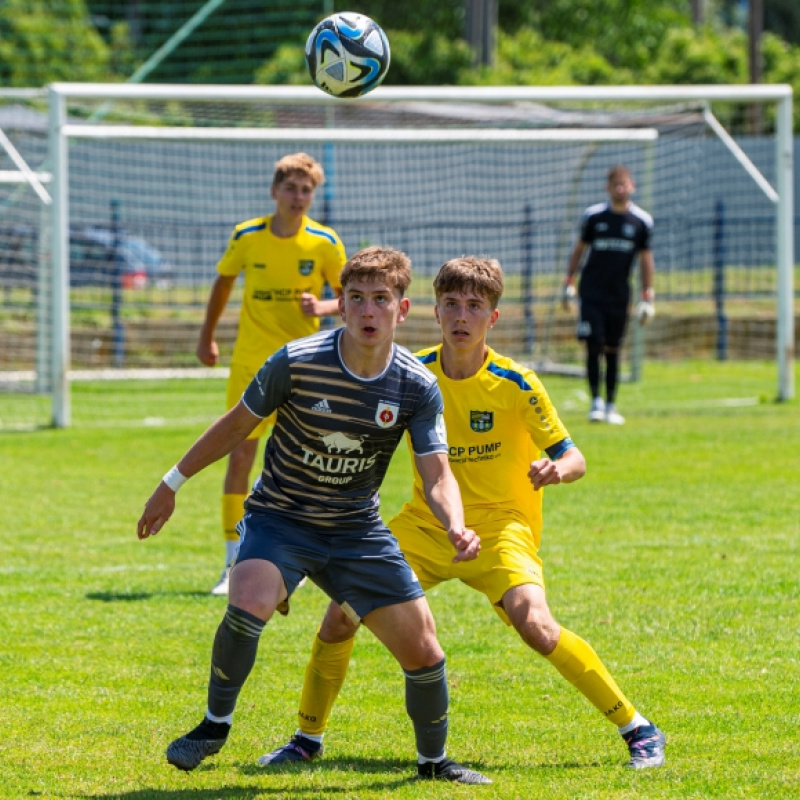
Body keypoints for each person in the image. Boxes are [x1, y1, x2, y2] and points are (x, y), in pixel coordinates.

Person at [259, 256, 666, 771]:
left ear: (492, 319)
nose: (461, 316)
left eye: (474, 306)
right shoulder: (409, 373)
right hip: (425, 527)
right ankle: (306, 739)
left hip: (500, 530)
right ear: (434, 311)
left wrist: (556, 470)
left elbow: (574, 455)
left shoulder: (516, 383)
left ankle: (638, 728)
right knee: (340, 617)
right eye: (451, 304)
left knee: (536, 626)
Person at [137, 246, 491, 785]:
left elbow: (437, 472)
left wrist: (455, 524)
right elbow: (236, 426)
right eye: (356, 299)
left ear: (402, 308)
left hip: (355, 530)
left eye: (380, 299)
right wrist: (172, 483)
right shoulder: (297, 361)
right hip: (282, 517)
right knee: (249, 597)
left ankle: (433, 764)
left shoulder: (416, 385)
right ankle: (213, 727)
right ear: (340, 305)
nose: (368, 311)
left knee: (424, 650)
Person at [197, 152, 347, 595]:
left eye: (306, 190)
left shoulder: (324, 242)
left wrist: (318, 306)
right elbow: (223, 284)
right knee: (240, 457)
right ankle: (232, 563)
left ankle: (288, 562)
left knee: (298, 465)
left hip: (304, 367)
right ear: (274, 191)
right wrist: (206, 337)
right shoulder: (247, 236)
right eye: (291, 188)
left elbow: (350, 300)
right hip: (250, 364)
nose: (299, 197)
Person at [562, 164, 655, 425]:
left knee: (614, 348)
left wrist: (648, 295)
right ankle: (595, 402)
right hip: (591, 293)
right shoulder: (593, 217)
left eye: (624, 184)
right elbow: (579, 251)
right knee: (594, 344)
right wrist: (569, 282)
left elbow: (646, 260)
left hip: (620, 295)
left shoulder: (641, 222)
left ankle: (611, 405)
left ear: (632, 186)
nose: (620, 189)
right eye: (616, 184)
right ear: (608, 187)